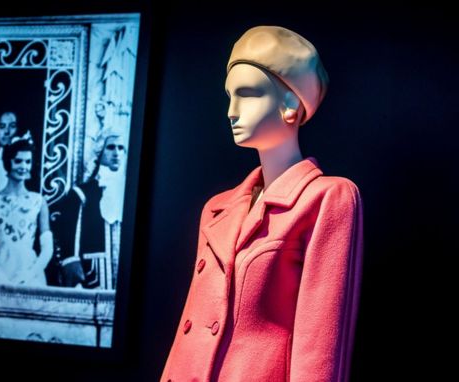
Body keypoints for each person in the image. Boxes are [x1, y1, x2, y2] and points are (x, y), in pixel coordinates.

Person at [161, 26, 364, 382]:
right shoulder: (217, 209)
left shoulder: (326, 199)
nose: (231, 111)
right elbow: (188, 332)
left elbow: (320, 342)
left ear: (291, 104)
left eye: (248, 95)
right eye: (229, 96)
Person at [47, 127, 127, 289]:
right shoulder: (81, 193)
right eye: (110, 147)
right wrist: (75, 268)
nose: (116, 153)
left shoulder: (129, 193)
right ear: (100, 151)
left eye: (121, 148)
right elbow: (70, 239)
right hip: (93, 274)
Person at [0, 134, 53, 286]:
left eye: (28, 162)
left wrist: (29, 275)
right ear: (8, 162)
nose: (23, 167)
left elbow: (47, 249)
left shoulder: (38, 201)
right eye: (18, 161)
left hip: (29, 273)